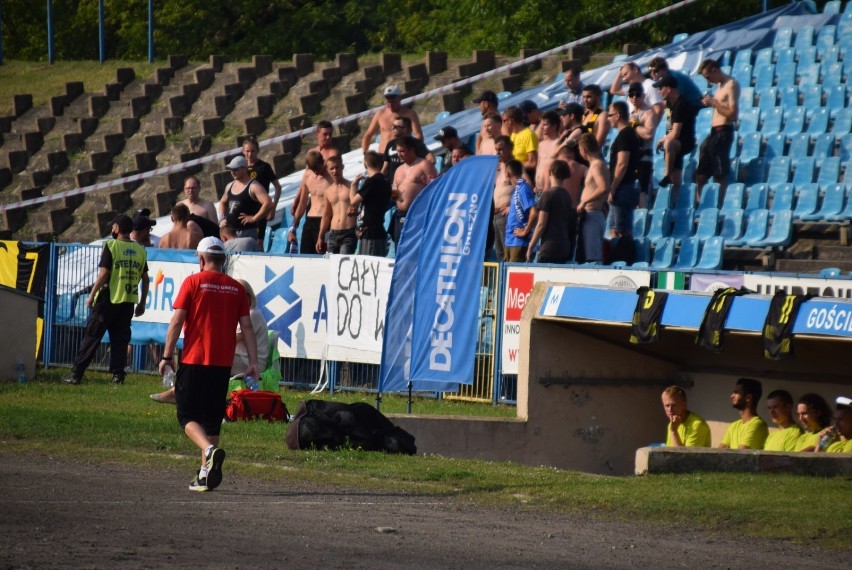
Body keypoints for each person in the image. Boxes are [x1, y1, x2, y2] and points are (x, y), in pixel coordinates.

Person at [158, 237, 258, 492]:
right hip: (222, 365)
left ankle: (209, 450)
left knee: (186, 415)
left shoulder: (193, 282)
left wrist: (167, 357)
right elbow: (247, 328)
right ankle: (204, 475)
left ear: (201, 259)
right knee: (212, 421)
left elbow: (176, 322)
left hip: (194, 360)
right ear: (223, 260)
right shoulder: (236, 289)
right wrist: (254, 363)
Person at [151, 277, 267, 405]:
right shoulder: (246, 315)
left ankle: (178, 393)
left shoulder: (252, 314)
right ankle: (182, 393)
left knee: (206, 359)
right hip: (241, 358)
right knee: (206, 359)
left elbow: (232, 338)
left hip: (249, 362)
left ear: (247, 296)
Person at [62, 215, 149, 385]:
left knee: (92, 335)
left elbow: (103, 273)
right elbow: (145, 279)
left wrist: (92, 294)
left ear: (116, 228)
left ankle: (76, 374)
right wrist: (142, 303)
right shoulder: (140, 249)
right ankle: (118, 376)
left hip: (109, 298)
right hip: (128, 301)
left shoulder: (111, 245)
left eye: (113, 226)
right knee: (120, 339)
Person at [695, 59, 739, 206]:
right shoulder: (719, 86)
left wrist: (714, 103)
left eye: (708, 77)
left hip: (723, 131)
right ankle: (700, 203)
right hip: (714, 132)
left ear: (714, 70)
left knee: (719, 173)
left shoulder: (731, 85)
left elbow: (733, 114)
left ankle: (719, 205)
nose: (708, 81)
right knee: (701, 173)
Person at [654, 75, 698, 207]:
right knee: (676, 179)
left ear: (668, 89)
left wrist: (663, 140)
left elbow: (676, 132)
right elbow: (669, 128)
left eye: (660, 88)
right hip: (674, 143)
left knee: (669, 143)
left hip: (685, 142)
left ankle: (667, 175)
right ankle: (676, 204)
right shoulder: (669, 104)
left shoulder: (681, 104)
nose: (658, 91)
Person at [390, 135, 438, 245]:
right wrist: (394, 193)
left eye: (402, 151)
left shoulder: (423, 165)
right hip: (400, 215)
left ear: (412, 150)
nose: (399, 154)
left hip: (418, 215)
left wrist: (428, 182)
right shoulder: (399, 169)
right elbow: (394, 188)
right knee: (400, 248)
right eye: (398, 151)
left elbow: (437, 187)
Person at [526, 160, 576, 264]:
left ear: (550, 172)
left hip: (549, 247)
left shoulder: (548, 195)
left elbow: (541, 224)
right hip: (564, 246)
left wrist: (531, 246)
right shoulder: (567, 196)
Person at [290, 120, 340, 219]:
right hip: (314, 200)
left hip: (328, 202)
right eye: (325, 134)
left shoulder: (333, 153)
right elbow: (306, 177)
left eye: (330, 134)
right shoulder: (312, 152)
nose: (328, 137)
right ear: (317, 134)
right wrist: (297, 198)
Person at [606, 101, 641, 240]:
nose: (608, 118)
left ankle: (625, 257)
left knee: (622, 230)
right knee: (614, 228)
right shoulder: (624, 134)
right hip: (621, 187)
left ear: (618, 115)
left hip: (623, 187)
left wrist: (613, 187)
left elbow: (622, 164)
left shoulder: (625, 135)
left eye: (610, 115)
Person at [217, 155, 273, 240]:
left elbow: (268, 203)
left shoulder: (254, 186)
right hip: (231, 233)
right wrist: (221, 218)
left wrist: (254, 218)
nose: (232, 172)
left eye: (236, 169)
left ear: (244, 168)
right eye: (231, 170)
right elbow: (222, 202)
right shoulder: (229, 186)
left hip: (246, 232)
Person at [242, 136, 283, 249]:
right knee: (245, 241)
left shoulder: (264, 167)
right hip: (245, 210)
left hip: (261, 209)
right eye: (247, 151)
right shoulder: (241, 168)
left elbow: (278, 187)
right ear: (243, 151)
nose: (250, 154)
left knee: (259, 242)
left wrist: (273, 208)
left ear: (258, 151)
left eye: (253, 151)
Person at [350, 150, 391, 257]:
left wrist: (354, 185)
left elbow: (353, 201)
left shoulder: (372, 181)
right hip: (378, 231)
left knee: (368, 266)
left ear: (365, 164)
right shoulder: (386, 182)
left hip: (371, 234)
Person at [360, 85, 422, 155]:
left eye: (393, 102)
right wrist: (365, 153)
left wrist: (417, 151)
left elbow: (418, 135)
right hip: (383, 155)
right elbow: (368, 135)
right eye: (388, 102)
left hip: (402, 154)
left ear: (399, 98)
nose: (390, 104)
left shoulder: (410, 114)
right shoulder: (380, 114)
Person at [575, 134, 609, 263]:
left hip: (593, 214)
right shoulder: (596, 165)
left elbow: (604, 188)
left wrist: (584, 201)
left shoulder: (596, 165)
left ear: (584, 149)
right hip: (591, 214)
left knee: (592, 257)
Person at [290, 150, 332, 254]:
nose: (317, 172)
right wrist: (293, 227)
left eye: (318, 168)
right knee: (306, 256)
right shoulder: (307, 176)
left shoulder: (331, 177)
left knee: (322, 257)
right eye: (314, 170)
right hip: (309, 221)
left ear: (323, 162)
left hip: (325, 221)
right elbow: (303, 203)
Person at [627, 82, 660, 208]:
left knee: (642, 189)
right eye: (631, 95)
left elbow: (648, 135)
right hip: (632, 157)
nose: (634, 97)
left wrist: (635, 125)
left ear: (643, 95)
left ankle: (643, 212)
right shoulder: (631, 114)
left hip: (644, 157)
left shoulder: (648, 113)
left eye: (637, 94)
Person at [317, 155, 357, 255]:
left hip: (348, 233)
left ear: (342, 167)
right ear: (328, 170)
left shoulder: (351, 186)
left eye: (337, 167)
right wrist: (320, 236)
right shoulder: (328, 191)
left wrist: (355, 211)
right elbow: (326, 216)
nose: (335, 171)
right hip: (333, 233)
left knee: (343, 265)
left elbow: (359, 207)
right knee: (332, 266)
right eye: (332, 168)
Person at [718, 378, 769, 450]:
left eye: (736, 393)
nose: (732, 396)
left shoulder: (758, 424)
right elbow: (720, 451)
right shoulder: (733, 426)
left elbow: (741, 454)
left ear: (748, 398)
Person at [503, 159, 537, 262]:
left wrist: (525, 231)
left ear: (507, 173)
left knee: (514, 273)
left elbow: (534, 212)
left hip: (518, 241)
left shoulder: (524, 188)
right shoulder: (517, 189)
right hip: (510, 239)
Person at [383, 115, 434, 182]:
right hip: (393, 184)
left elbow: (431, 159)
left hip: (410, 182)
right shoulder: (390, 144)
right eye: (392, 126)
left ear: (405, 129)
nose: (392, 128)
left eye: (396, 127)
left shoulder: (415, 143)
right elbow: (385, 168)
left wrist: (417, 172)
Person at [492, 136, 516, 261]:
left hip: (505, 214)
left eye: (500, 150)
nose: (497, 153)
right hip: (495, 215)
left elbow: (526, 186)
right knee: (500, 255)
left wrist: (512, 207)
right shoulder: (500, 167)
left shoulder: (514, 166)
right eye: (496, 150)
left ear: (510, 149)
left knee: (507, 253)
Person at [535, 111, 562, 193]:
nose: (542, 127)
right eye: (542, 125)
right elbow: (538, 165)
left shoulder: (559, 143)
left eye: (545, 125)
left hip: (551, 190)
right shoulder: (541, 145)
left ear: (554, 126)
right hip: (538, 189)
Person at [580, 84, 611, 149]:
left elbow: (599, 143)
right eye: (583, 97)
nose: (585, 100)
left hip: (591, 154)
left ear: (598, 97)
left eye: (588, 97)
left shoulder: (603, 115)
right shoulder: (585, 114)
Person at [474, 90, 500, 154]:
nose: (479, 107)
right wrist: (478, 153)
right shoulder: (485, 122)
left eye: (480, 104)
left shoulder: (499, 121)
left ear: (486, 104)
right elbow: (479, 138)